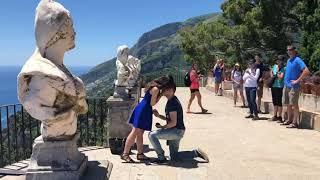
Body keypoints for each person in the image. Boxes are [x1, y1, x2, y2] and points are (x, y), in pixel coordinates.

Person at [149, 81, 209, 163]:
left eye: (165, 89)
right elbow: (170, 119)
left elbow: (173, 123)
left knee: (152, 135)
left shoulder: (172, 103)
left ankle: (161, 157)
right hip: (178, 130)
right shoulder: (172, 100)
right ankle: (195, 153)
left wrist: (162, 127)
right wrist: (159, 115)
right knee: (174, 156)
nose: (162, 91)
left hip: (175, 131)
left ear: (171, 90)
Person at [121, 75, 175, 162]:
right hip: (144, 110)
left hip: (143, 109)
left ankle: (140, 153)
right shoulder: (156, 89)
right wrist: (160, 95)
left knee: (140, 133)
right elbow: (152, 103)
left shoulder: (153, 86)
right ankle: (125, 154)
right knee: (135, 131)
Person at [281, 45, 310, 128]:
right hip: (286, 85)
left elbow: (306, 71)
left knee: (294, 105)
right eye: (287, 50)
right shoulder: (288, 60)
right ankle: (289, 120)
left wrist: (297, 80)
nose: (289, 51)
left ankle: (295, 123)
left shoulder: (298, 60)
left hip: (294, 86)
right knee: (288, 104)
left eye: (290, 49)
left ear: (294, 50)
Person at [269, 55, 286, 122]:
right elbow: (271, 73)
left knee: (279, 102)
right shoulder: (275, 66)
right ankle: (275, 115)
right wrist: (273, 74)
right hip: (273, 85)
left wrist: (277, 73)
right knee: (274, 101)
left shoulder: (284, 68)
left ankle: (280, 117)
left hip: (279, 86)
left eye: (280, 60)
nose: (278, 61)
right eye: (278, 60)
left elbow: (281, 77)